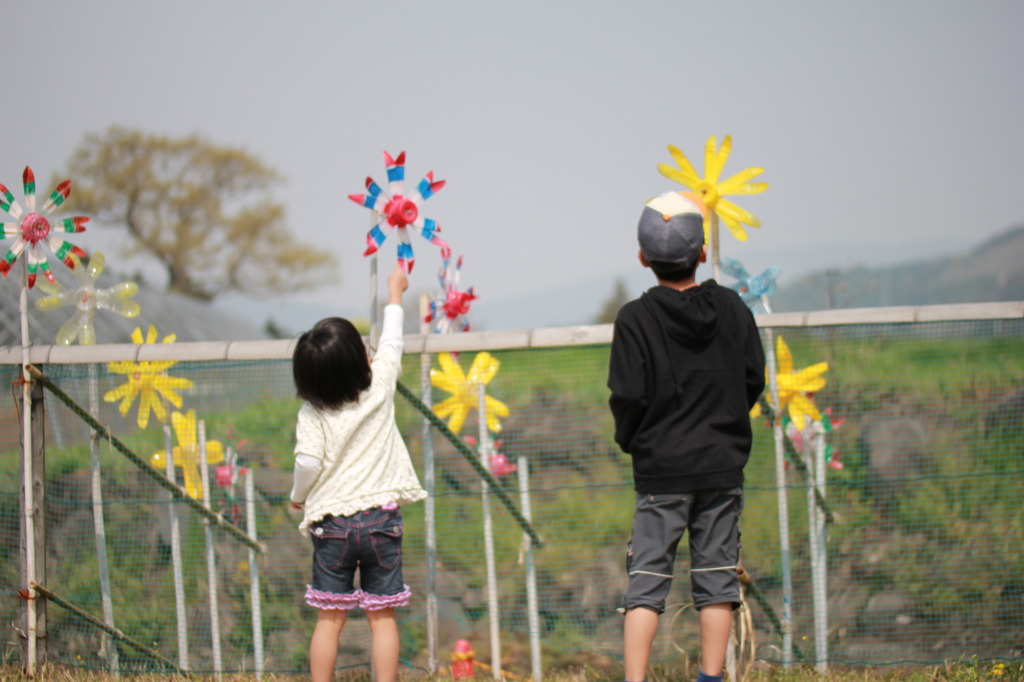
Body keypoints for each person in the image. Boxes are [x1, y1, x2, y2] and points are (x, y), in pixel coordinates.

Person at [608, 191, 766, 682]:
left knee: (647, 579)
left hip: (660, 470)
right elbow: (753, 376)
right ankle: (711, 677)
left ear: (642, 258)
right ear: (702, 252)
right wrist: (728, 424)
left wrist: (634, 439)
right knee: (717, 580)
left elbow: (627, 395)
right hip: (722, 467)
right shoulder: (734, 308)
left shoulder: (635, 318)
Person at [289, 263, 427, 682]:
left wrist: (299, 495)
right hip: (382, 520)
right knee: (381, 618)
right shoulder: (380, 386)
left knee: (329, 620)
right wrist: (395, 291)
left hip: (332, 524)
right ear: (359, 360)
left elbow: (308, 463)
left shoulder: (311, 412)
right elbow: (392, 340)